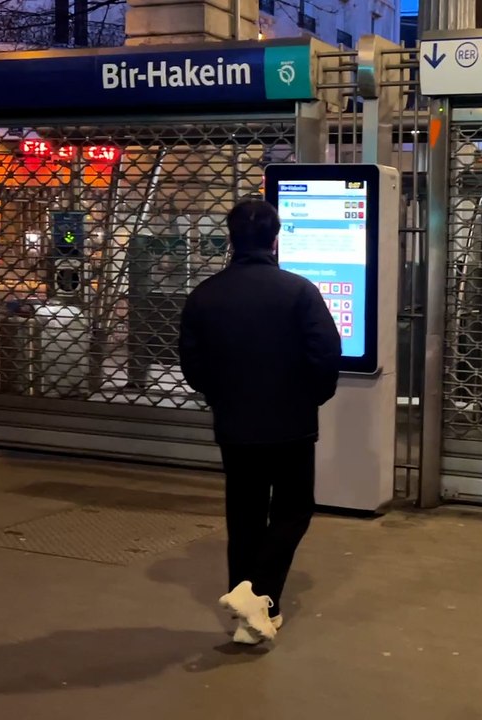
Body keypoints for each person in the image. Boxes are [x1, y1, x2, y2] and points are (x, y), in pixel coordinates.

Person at [179, 198, 342, 646]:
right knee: (293, 510)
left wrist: (220, 395)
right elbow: (326, 353)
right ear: (275, 238)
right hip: (291, 424)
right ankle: (261, 597)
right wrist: (311, 397)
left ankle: (248, 613)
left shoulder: (205, 295)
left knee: (245, 515)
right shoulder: (298, 291)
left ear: (231, 238)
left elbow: (192, 363)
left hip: (235, 424)